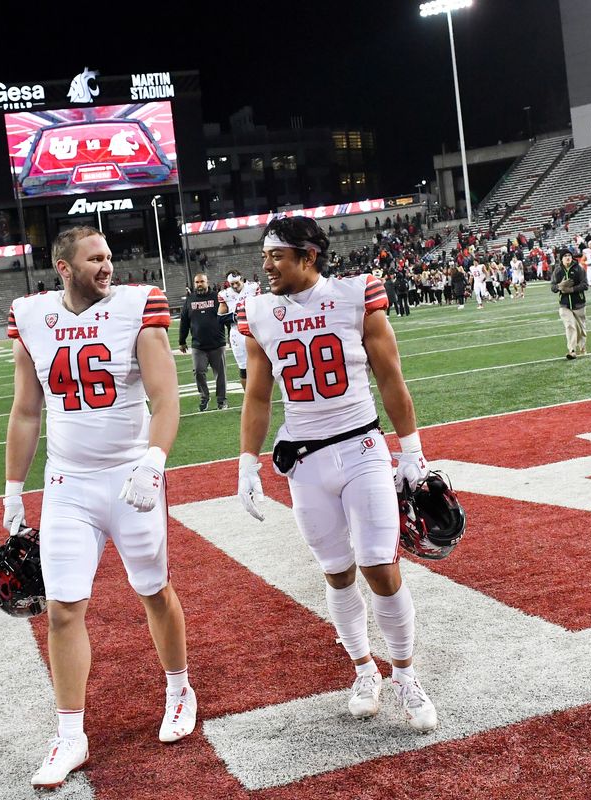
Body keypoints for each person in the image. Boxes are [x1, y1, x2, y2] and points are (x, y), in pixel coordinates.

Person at [3, 226, 196, 790]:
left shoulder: (136, 307)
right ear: (64, 268)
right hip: (68, 484)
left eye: (109, 256)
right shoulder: (33, 316)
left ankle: (179, 688)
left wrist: (154, 460)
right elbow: (25, 412)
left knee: (154, 591)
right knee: (63, 608)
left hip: (131, 477)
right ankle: (71, 735)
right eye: (95, 259)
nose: (107, 266)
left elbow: (165, 397)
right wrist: (13, 489)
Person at [235, 216, 438, 733]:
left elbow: (390, 377)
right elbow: (258, 395)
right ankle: (363, 669)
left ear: (308, 256)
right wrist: (247, 461)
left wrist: (411, 450)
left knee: (380, 566)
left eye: (276, 255)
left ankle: (406, 674)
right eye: (264, 255)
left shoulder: (354, 295)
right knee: (336, 570)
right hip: (304, 461)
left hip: (362, 447)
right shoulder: (258, 311)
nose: (266, 265)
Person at [179, 273, 228, 411]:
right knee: (198, 371)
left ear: (207, 282)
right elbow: (184, 322)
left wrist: (230, 334)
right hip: (198, 345)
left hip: (217, 343)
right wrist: (182, 341)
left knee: (221, 375)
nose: (199, 284)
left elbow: (225, 315)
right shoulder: (190, 300)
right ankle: (204, 397)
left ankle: (221, 400)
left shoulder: (216, 297)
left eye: (202, 281)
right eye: (197, 282)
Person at [217, 270, 261, 393]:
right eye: (232, 284)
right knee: (243, 368)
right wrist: (235, 316)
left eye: (237, 283)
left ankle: (261, 393)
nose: (235, 286)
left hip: (255, 331)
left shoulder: (253, 287)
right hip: (237, 332)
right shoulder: (225, 294)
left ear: (242, 279)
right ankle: (248, 396)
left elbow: (261, 306)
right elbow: (219, 318)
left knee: (261, 364)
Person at [551, 251, 588, 359]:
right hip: (564, 304)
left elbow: (585, 285)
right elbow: (552, 287)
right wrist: (559, 286)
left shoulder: (579, 269)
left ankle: (582, 347)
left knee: (581, 329)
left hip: (579, 303)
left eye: (569, 256)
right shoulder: (557, 270)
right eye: (565, 256)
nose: (568, 258)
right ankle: (571, 350)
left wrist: (571, 289)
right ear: (561, 259)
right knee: (569, 326)